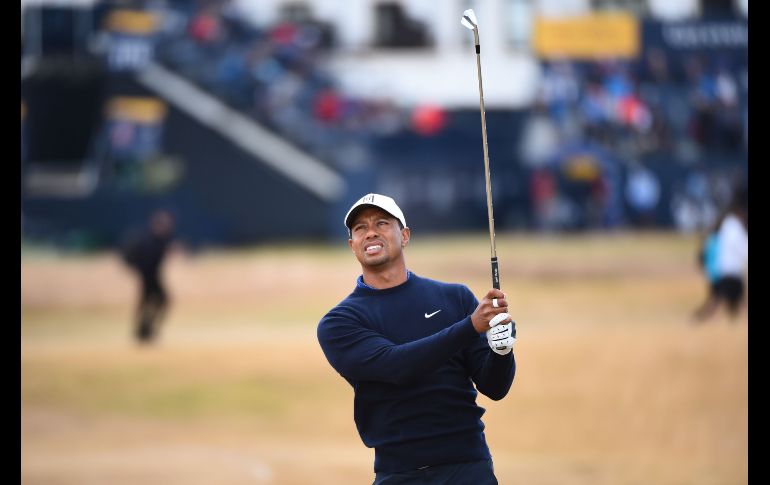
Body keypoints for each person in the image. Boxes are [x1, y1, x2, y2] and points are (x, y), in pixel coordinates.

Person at [317, 193, 516, 484]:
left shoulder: (454, 297)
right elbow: (396, 366)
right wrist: (470, 326)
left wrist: (501, 351)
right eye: (360, 228)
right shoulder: (339, 322)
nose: (370, 231)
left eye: (382, 223)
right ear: (352, 245)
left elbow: (495, 387)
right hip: (399, 474)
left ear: (405, 235)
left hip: (468, 467)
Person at [693, 186, 748, 322]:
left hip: (727, 270)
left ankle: (730, 320)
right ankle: (699, 318)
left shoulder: (728, 225)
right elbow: (741, 247)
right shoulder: (733, 226)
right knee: (718, 299)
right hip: (730, 271)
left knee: (731, 300)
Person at [121, 210, 176, 343]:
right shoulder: (147, 240)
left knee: (159, 301)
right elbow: (131, 256)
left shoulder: (161, 240)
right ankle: (143, 329)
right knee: (150, 302)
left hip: (154, 276)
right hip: (147, 276)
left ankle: (146, 329)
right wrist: (137, 268)